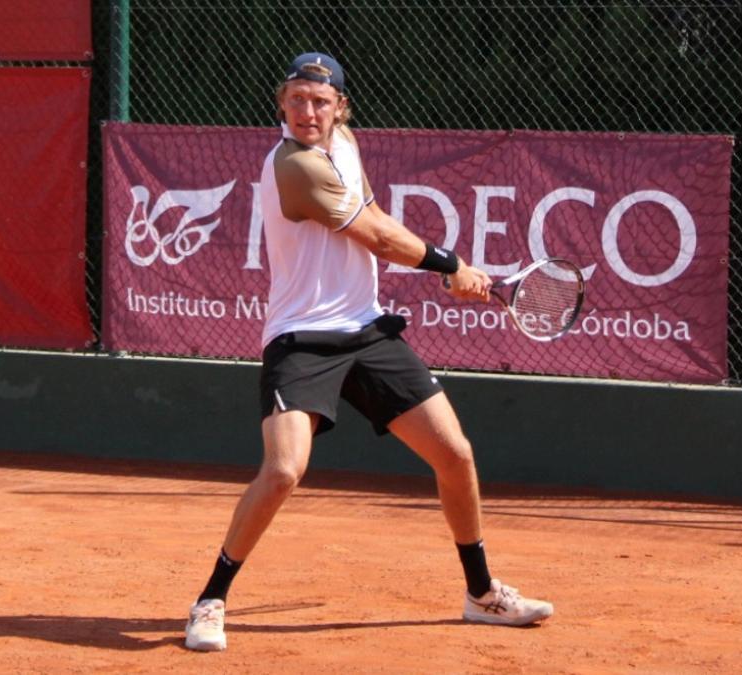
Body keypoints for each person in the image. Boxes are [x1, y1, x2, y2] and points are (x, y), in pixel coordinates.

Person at [184, 51, 553, 652]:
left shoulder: (345, 143)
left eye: (320, 101)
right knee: (283, 470)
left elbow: (375, 211)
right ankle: (210, 600)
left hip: (367, 331)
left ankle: (482, 594)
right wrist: (452, 263)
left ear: (340, 107)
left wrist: (443, 272)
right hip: (300, 339)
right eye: (297, 99)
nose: (308, 111)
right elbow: (374, 236)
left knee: (455, 454)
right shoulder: (293, 165)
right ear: (281, 103)